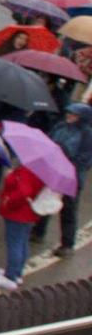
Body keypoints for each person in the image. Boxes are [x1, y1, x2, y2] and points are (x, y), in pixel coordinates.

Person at [0, 164, 45, 291]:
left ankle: (10, 277)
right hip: (28, 213)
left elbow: (23, 192)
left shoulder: (27, 170)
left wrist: (8, 200)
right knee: (22, 242)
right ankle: (17, 272)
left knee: (15, 244)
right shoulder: (40, 170)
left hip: (17, 213)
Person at [47, 102, 92, 256]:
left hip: (72, 177)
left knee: (68, 210)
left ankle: (67, 244)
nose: (69, 116)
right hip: (54, 171)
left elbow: (85, 160)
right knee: (45, 200)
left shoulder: (87, 135)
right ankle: (37, 232)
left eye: (74, 114)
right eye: (69, 112)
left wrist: (66, 158)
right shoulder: (60, 127)